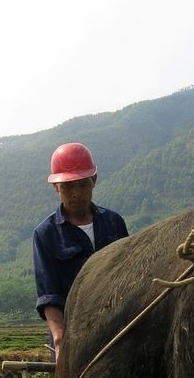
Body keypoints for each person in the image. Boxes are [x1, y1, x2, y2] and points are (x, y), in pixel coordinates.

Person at [33, 143, 128, 360]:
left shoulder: (114, 223)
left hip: (116, 330)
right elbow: (50, 296)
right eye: (68, 187)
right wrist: (60, 341)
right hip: (73, 336)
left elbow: (129, 277)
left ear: (93, 181)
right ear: (56, 187)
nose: (76, 194)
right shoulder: (46, 234)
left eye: (83, 185)